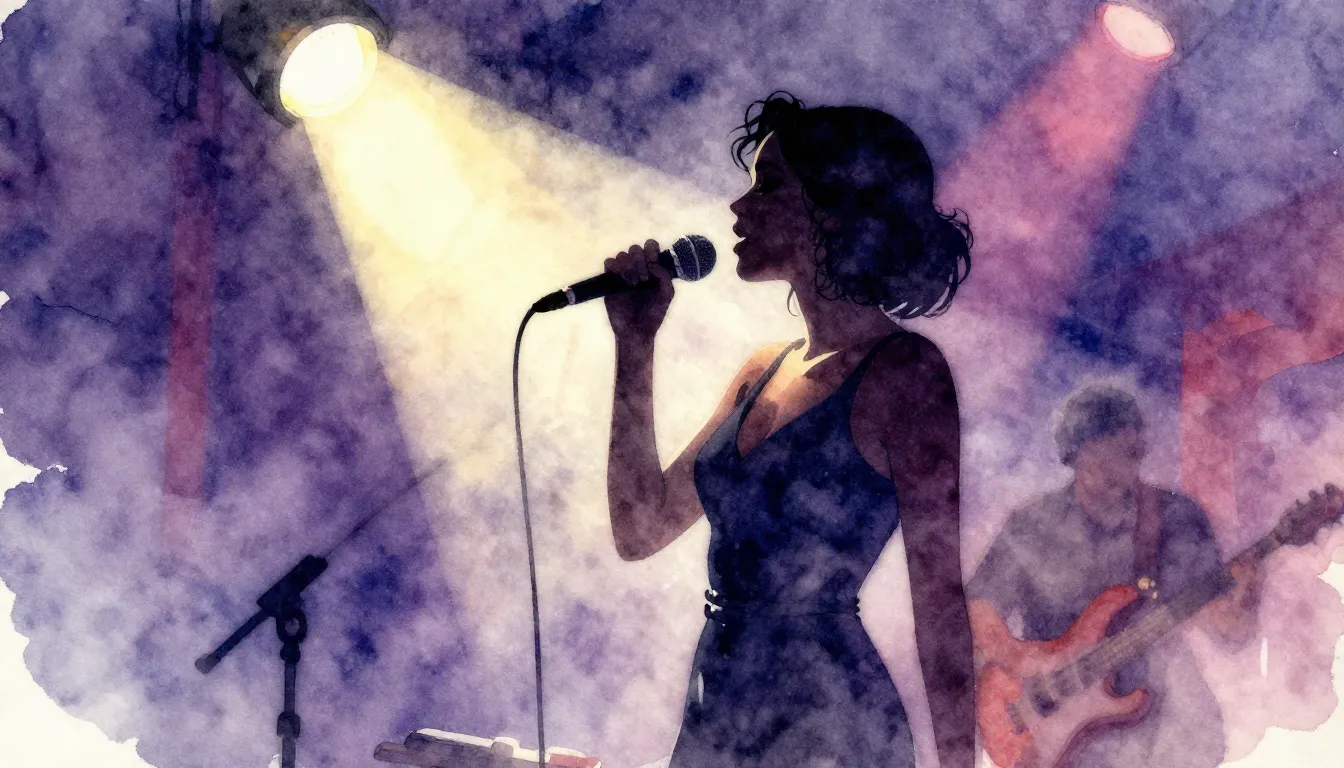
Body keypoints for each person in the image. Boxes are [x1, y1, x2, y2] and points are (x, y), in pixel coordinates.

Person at [602, 92, 976, 768]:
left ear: (832, 206)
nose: (738, 208)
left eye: (768, 187)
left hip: (831, 725)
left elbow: (940, 603)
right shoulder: (761, 369)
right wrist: (636, 344)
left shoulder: (907, 374)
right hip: (718, 713)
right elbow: (641, 527)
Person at [967, 385, 1263, 767]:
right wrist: (1028, 661)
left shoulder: (1176, 518)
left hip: (1163, 729)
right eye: (1100, 452)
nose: (1118, 469)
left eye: (1128, 454)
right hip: (1051, 733)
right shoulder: (1031, 525)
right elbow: (977, 612)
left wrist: (1250, 590)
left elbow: (1233, 633)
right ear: (1074, 452)